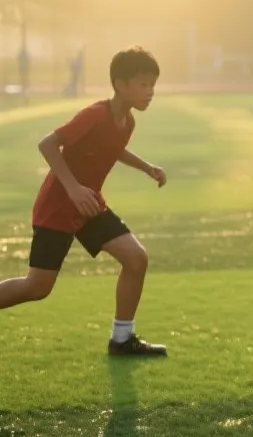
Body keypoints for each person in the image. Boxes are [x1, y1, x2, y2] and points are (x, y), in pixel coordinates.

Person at [0, 46, 168, 356]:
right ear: (120, 84)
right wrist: (74, 189)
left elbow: (113, 147)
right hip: (58, 207)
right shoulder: (95, 114)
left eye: (153, 85)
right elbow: (48, 144)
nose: (150, 92)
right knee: (38, 286)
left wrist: (146, 167)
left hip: (89, 205)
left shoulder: (127, 122)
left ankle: (122, 340)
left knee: (136, 259)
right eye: (143, 84)